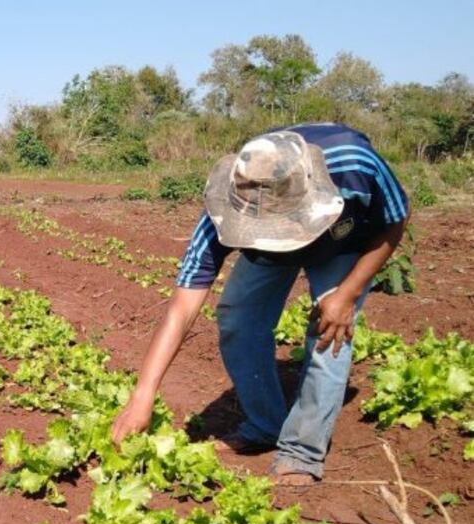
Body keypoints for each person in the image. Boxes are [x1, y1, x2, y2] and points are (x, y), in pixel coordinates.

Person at [111, 123, 409, 485]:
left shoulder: (353, 165)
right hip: (263, 247)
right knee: (238, 317)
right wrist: (143, 395)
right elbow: (182, 308)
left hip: (341, 240)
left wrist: (347, 293)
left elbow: (395, 220)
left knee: (330, 328)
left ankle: (302, 451)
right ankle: (265, 425)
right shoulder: (229, 203)